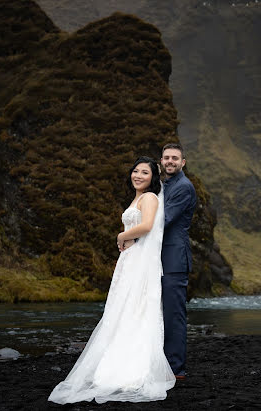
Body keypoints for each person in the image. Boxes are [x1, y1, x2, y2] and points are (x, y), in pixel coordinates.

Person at [48, 156, 175, 404]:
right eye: (135, 171)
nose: (138, 175)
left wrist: (121, 235)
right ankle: (113, 363)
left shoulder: (149, 198)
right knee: (122, 311)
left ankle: (132, 368)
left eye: (145, 173)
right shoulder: (137, 198)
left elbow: (147, 226)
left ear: (153, 178)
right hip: (130, 260)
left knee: (136, 310)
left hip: (139, 261)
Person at [160, 142, 197, 380]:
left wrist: (131, 234)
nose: (170, 161)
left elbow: (163, 220)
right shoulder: (164, 185)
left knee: (174, 315)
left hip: (174, 259)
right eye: (166, 158)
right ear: (161, 161)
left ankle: (176, 369)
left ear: (182, 162)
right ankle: (163, 363)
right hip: (159, 258)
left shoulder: (183, 187)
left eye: (175, 158)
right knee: (159, 314)